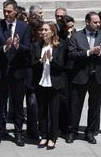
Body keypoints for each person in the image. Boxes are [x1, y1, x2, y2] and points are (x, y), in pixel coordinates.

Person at [0, 0, 31, 147]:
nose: (6, 14)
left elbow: (28, 49)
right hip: (0, 72)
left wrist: (18, 47)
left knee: (18, 105)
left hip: (17, 73)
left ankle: (18, 134)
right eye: (4, 11)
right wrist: (4, 48)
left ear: (16, 12)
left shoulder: (24, 27)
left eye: (9, 11)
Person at [67, 12, 101, 144]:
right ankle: (72, 131)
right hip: (80, 76)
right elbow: (71, 54)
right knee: (75, 106)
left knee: (94, 107)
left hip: (98, 77)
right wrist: (88, 52)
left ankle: (90, 132)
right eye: (95, 22)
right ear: (87, 22)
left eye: (99, 22)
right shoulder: (76, 36)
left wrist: (100, 53)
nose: (98, 24)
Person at [30, 22, 66, 150]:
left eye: (46, 30)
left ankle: (52, 138)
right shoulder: (36, 46)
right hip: (40, 83)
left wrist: (51, 60)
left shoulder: (60, 46)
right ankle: (44, 135)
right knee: (42, 112)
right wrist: (40, 61)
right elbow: (32, 65)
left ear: (52, 32)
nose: (43, 32)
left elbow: (61, 66)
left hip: (54, 83)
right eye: (42, 30)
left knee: (54, 112)